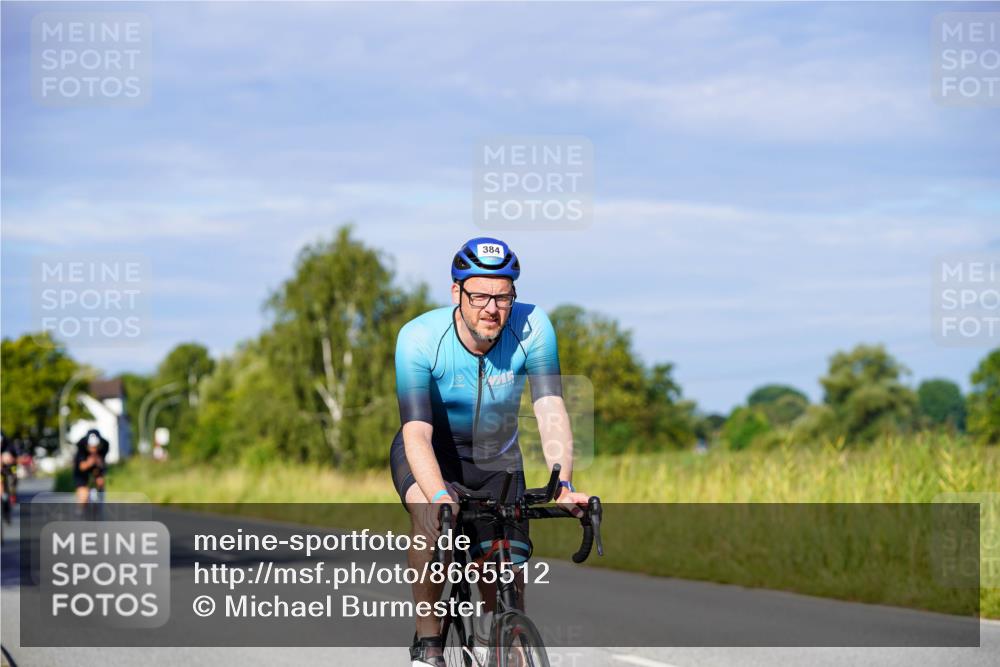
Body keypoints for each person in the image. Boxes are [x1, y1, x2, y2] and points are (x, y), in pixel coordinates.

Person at [393, 237, 590, 666]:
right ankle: (428, 642)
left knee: (502, 576)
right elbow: (416, 432)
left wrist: (563, 482)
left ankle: (499, 640)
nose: (491, 308)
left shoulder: (533, 326)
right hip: (431, 452)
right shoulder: (420, 338)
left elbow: (549, 407)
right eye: (479, 295)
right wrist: (441, 499)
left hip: (497, 457)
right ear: (456, 294)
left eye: (502, 296)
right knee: (431, 522)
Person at [74, 430, 108, 505]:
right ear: (87, 445)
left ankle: (99, 505)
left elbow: (103, 465)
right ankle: (81, 512)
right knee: (83, 494)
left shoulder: (104, 445)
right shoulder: (81, 447)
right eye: (92, 448)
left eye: (95, 447)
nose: (94, 450)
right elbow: (81, 467)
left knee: (100, 481)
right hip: (81, 473)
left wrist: (99, 462)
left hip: (96, 469)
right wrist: (89, 462)